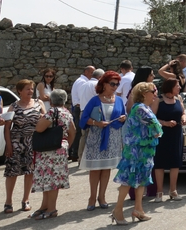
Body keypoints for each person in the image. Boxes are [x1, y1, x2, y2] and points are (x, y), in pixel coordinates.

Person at [111, 82, 163, 224]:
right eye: (154, 91)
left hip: (145, 150)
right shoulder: (140, 108)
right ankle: (117, 210)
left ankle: (138, 209)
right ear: (144, 93)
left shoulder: (145, 107)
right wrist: (157, 131)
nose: (156, 94)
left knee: (142, 180)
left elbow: (156, 127)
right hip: (135, 151)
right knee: (128, 179)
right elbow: (156, 126)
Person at [79, 70, 127, 211]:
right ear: (104, 84)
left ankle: (102, 197)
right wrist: (96, 123)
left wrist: (123, 118)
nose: (115, 87)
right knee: (95, 169)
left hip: (113, 138)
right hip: (96, 138)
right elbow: (83, 119)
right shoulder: (95, 100)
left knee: (106, 169)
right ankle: (92, 197)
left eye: (117, 84)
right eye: (112, 84)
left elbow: (122, 116)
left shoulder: (118, 100)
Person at [30, 89, 75, 220]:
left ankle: (51, 209)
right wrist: (66, 146)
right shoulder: (67, 113)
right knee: (50, 178)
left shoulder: (51, 112)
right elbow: (73, 131)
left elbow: (39, 128)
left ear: (51, 101)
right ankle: (45, 206)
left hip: (48, 150)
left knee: (50, 179)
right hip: (60, 148)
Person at [3, 79, 44, 214]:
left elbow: (46, 120)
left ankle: (25, 200)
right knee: (12, 173)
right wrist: (8, 145)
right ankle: (8, 202)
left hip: (33, 143)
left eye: (32, 89)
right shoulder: (13, 106)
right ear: (19, 91)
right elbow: (7, 127)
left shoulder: (39, 103)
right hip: (16, 143)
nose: (30, 91)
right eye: (27, 89)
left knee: (30, 172)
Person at [151, 78, 186, 200]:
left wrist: (183, 118)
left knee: (175, 163)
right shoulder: (158, 100)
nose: (180, 88)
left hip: (176, 134)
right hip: (161, 135)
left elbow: (183, 112)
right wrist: (165, 123)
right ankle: (159, 192)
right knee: (160, 163)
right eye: (177, 86)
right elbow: (152, 118)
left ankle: (173, 191)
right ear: (170, 87)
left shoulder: (178, 99)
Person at [69, 66, 93, 161]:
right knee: (79, 132)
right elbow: (81, 98)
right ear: (86, 72)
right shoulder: (82, 82)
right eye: (91, 72)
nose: (92, 74)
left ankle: (74, 153)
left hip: (79, 107)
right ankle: (75, 154)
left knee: (79, 131)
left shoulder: (81, 81)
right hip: (79, 108)